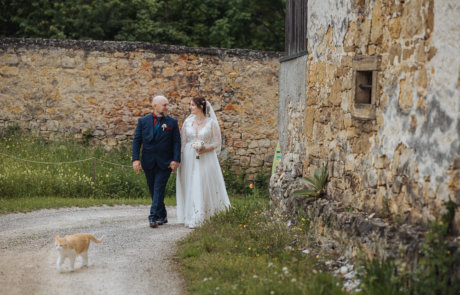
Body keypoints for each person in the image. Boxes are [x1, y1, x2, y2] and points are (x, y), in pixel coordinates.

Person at [176, 97, 231, 228]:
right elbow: (183, 142)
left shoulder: (211, 123)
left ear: (201, 106)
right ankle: (191, 215)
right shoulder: (187, 123)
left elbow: (217, 142)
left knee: (202, 183)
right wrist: (180, 159)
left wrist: (205, 148)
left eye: (193, 105)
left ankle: (204, 215)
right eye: (190, 105)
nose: (190, 107)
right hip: (189, 157)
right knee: (191, 183)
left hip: (206, 157)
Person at [132, 95, 181, 228]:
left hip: (165, 162)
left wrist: (176, 160)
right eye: (164, 105)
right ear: (155, 106)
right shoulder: (143, 121)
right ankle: (162, 215)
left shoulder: (172, 122)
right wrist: (135, 159)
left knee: (159, 187)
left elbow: (176, 142)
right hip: (148, 161)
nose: (167, 107)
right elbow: (137, 141)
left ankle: (153, 217)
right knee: (153, 190)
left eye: (167, 104)